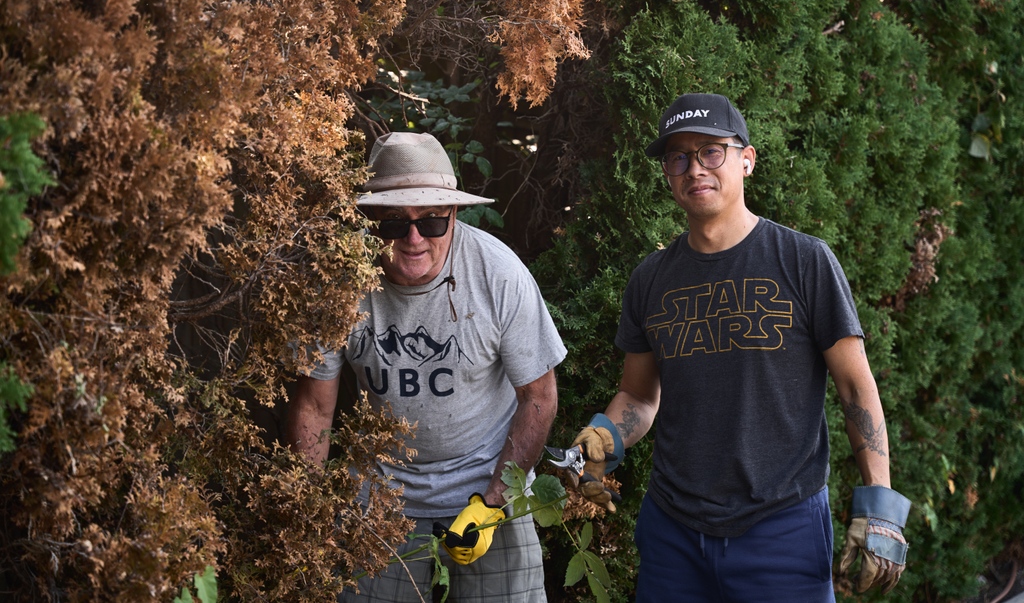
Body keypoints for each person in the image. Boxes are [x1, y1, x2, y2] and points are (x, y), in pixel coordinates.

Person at [568, 93, 911, 602]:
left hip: (782, 528)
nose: (694, 169)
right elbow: (639, 397)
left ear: (746, 160)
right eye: (678, 157)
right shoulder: (649, 281)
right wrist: (600, 440)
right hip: (673, 533)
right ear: (667, 173)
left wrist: (880, 500)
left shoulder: (804, 261)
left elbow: (854, 384)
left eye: (711, 151)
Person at [285, 132, 565, 602]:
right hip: (380, 497)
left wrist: (493, 506)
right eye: (394, 223)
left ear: (454, 214)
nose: (414, 239)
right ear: (369, 220)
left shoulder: (498, 274)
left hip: (487, 485)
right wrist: (305, 512)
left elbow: (539, 397)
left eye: (432, 221)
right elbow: (314, 408)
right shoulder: (336, 286)